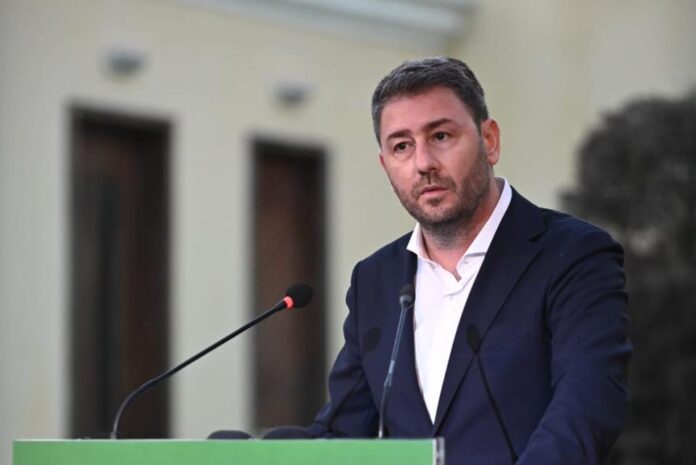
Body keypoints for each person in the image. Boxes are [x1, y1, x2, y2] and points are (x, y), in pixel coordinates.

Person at [305, 57, 632, 465]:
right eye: (402, 146)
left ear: (489, 140)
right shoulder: (374, 280)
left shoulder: (573, 256)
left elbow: (586, 406)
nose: (423, 163)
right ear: (386, 164)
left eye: (440, 136)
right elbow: (341, 433)